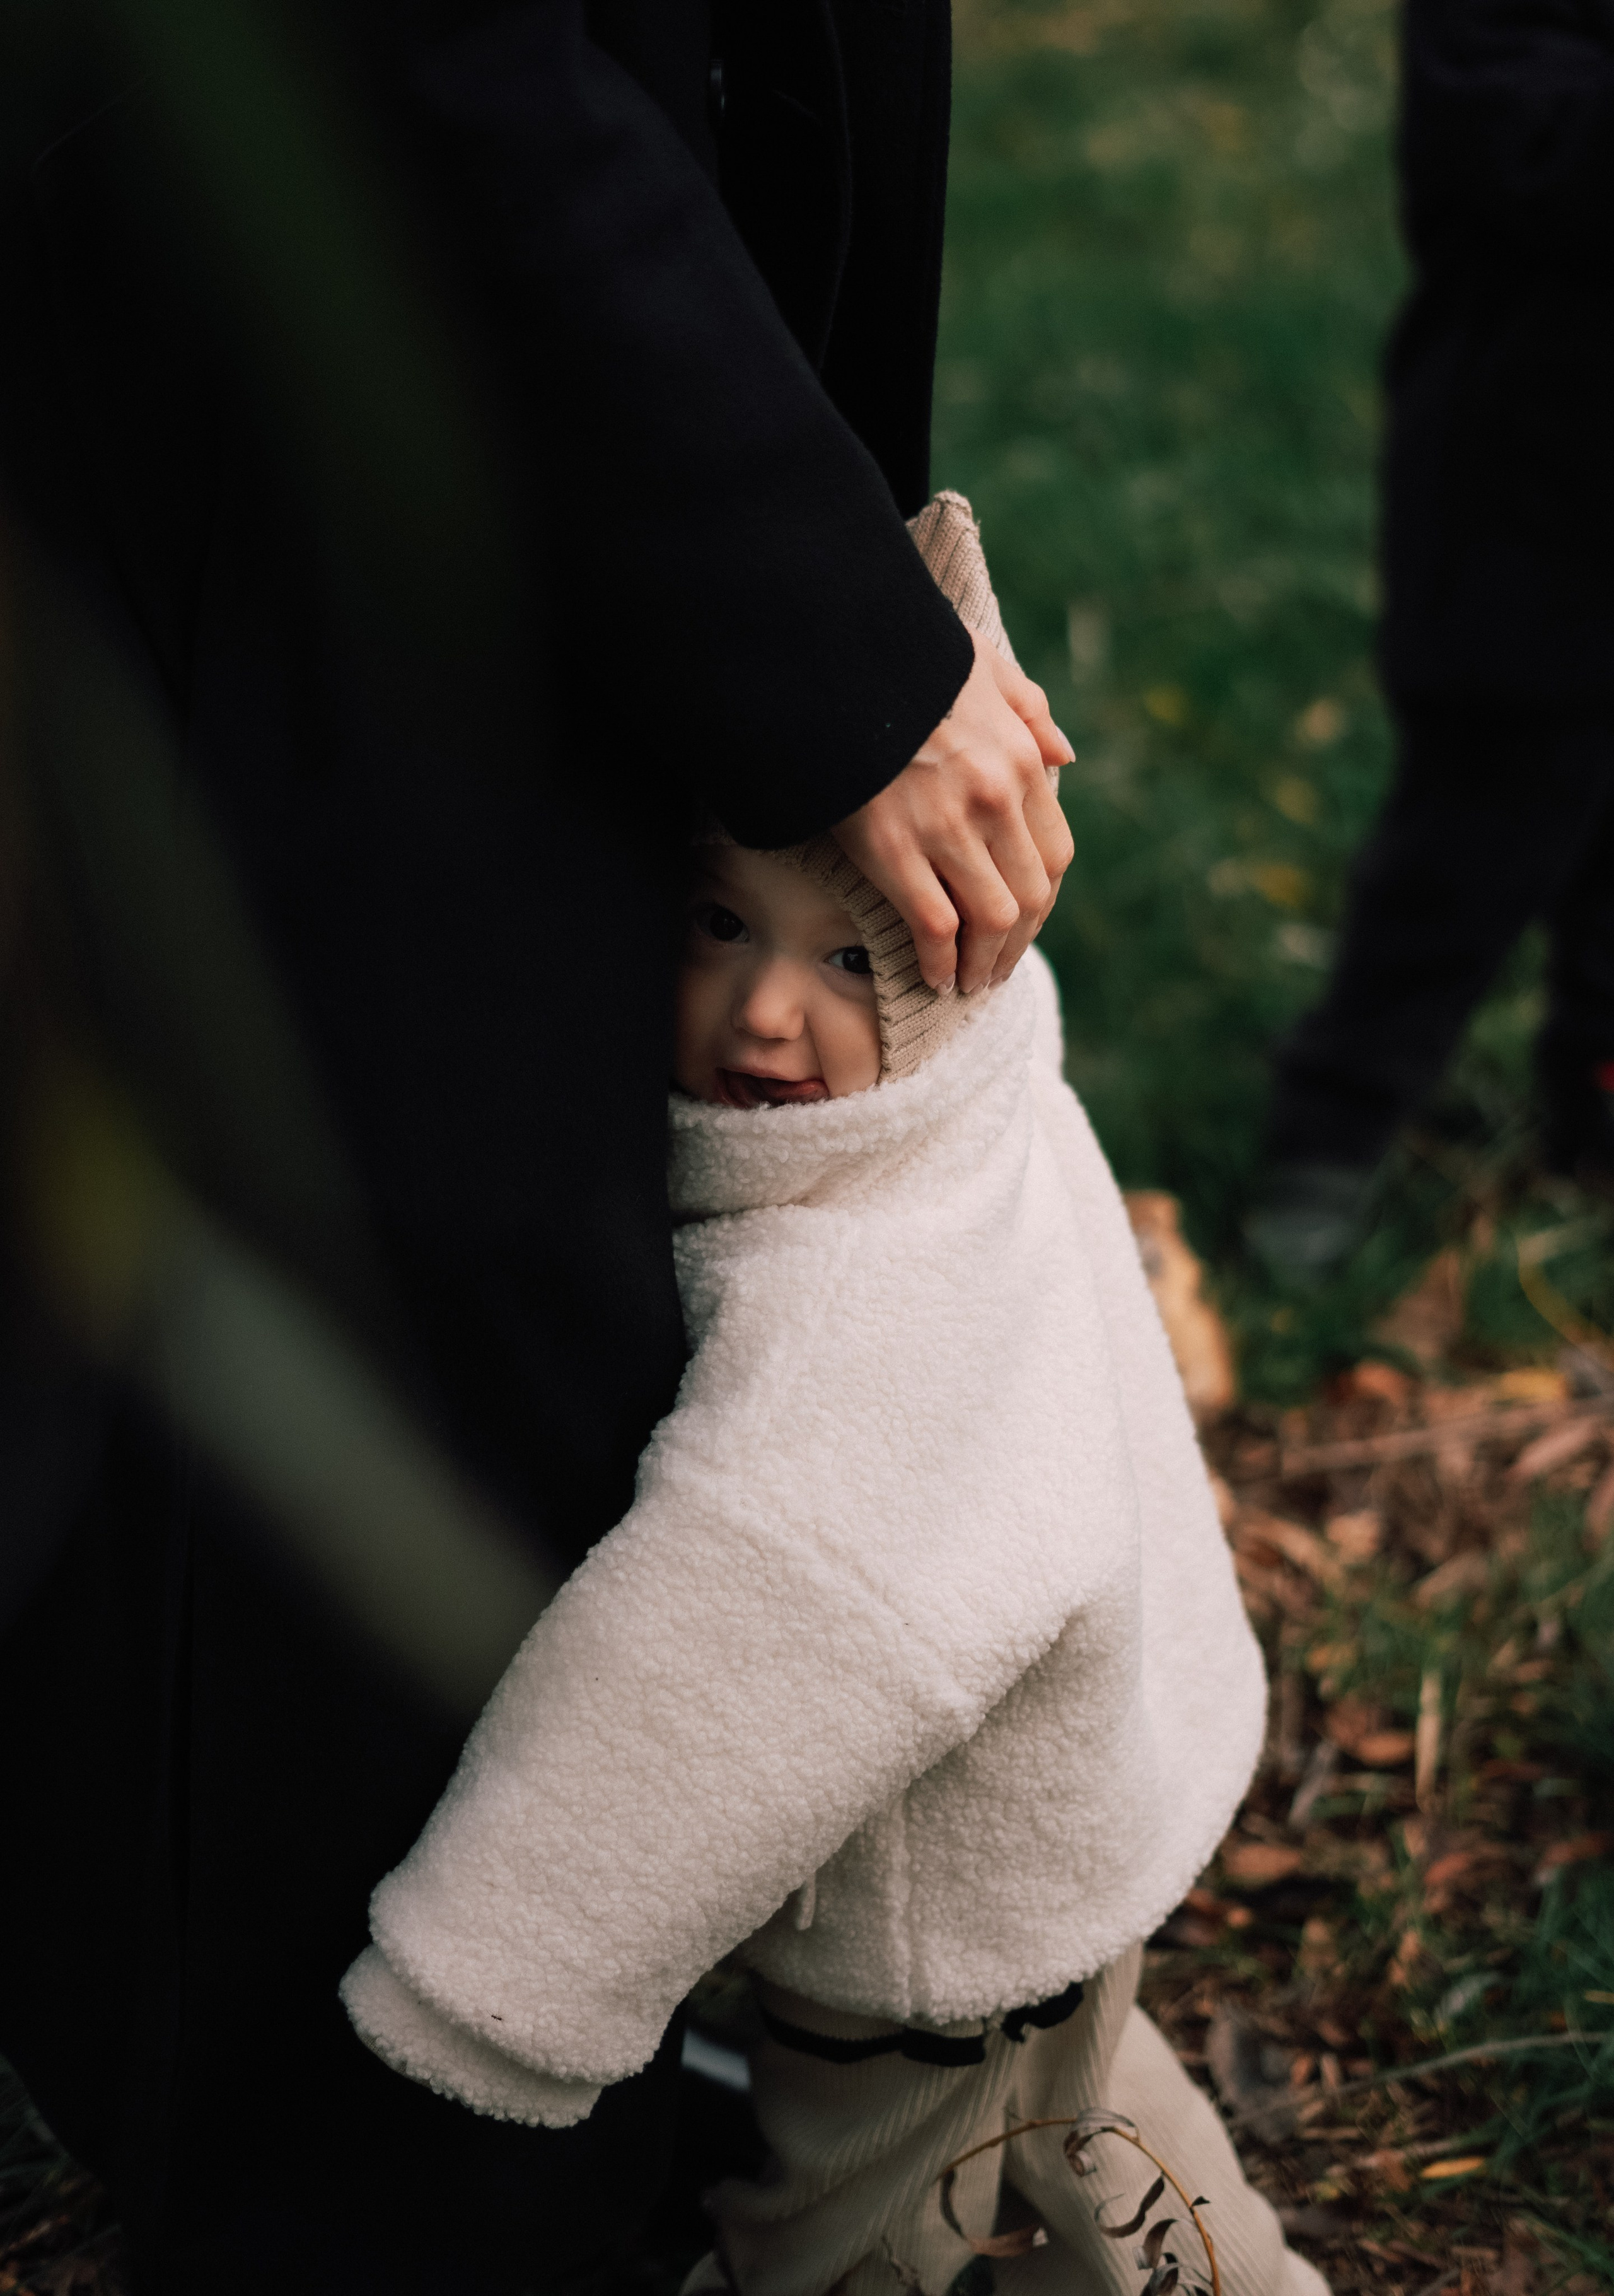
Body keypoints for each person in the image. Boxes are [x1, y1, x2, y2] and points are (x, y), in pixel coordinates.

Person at [0, 5, 1072, 2292]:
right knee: (405, 1269)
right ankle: (368, 2161)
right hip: (354, 370)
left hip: (596, 365)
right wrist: (808, 605)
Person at [339, 506, 1325, 2296]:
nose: (764, 1014)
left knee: (847, 2247)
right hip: (1078, 1850)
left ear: (959, 963)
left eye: (849, 962)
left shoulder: (854, 1314)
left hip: (931, 1949)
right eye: (719, 919)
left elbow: (732, 1636)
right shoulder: (980, 1107)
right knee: (1101, 2142)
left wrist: (477, 1975)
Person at [1246, 0, 1614, 1282]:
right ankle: (1328, 1129)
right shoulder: (1495, 40)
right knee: (1470, 841)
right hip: (1520, 513)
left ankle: (1592, 1098)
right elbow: (1534, 162)